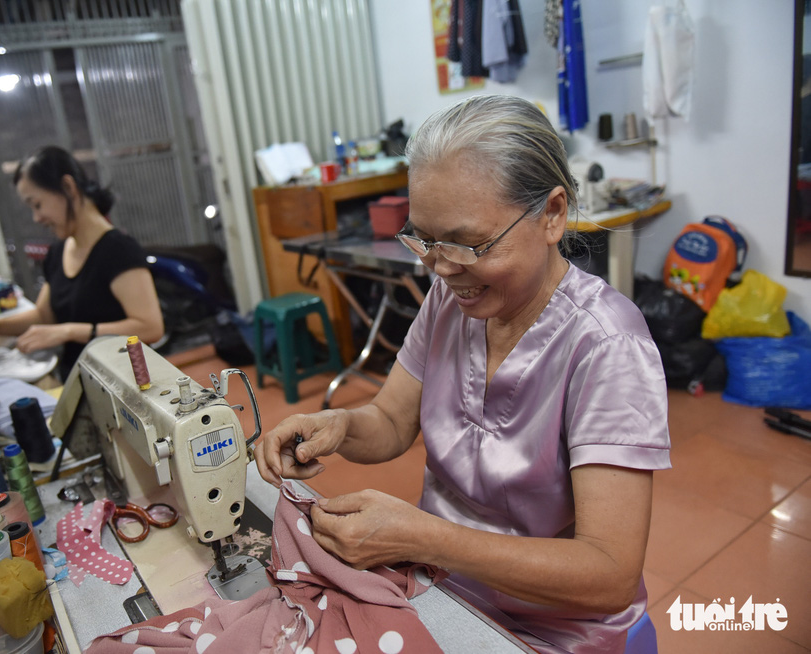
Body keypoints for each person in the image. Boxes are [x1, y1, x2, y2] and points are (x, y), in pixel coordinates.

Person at [254, 95, 671, 654]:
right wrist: (340, 425)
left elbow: (609, 572)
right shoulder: (453, 300)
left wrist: (421, 536)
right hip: (438, 592)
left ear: (552, 214)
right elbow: (392, 419)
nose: (443, 267)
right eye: (424, 241)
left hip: (550, 630)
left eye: (469, 243)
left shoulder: (606, 346)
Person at [0, 146, 164, 379]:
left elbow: (150, 327)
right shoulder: (59, 251)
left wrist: (68, 331)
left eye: (37, 204)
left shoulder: (118, 250)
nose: (36, 218)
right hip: (80, 380)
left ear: (68, 188)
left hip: (121, 383)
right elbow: (44, 316)